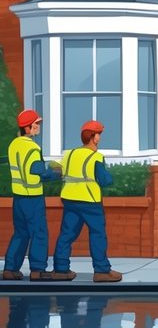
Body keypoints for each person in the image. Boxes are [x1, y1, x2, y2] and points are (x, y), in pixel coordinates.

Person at [52, 120, 120, 283]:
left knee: (67, 234)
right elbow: (104, 180)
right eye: (99, 134)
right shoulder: (96, 157)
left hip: (69, 199)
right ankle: (102, 271)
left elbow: (57, 171)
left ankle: (61, 269)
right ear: (93, 137)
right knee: (97, 234)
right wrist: (110, 176)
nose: (100, 138)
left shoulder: (69, 154)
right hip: (89, 201)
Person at [4, 109, 60, 281]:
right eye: (35, 124)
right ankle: (37, 270)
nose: (38, 127)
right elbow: (39, 173)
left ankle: (10, 268)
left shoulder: (13, 145)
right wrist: (56, 173)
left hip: (18, 198)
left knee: (20, 233)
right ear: (26, 128)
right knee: (39, 232)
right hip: (33, 197)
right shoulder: (33, 148)